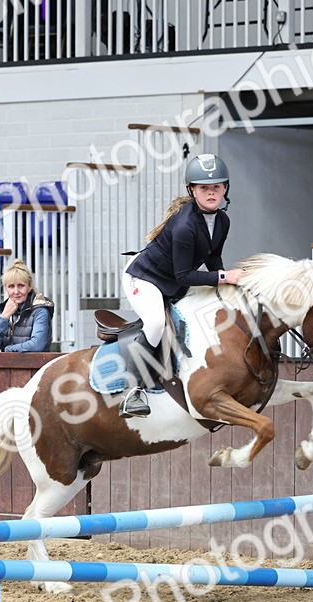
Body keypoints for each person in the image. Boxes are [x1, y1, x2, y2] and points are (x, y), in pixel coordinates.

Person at [118, 152, 244, 417]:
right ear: (192, 190)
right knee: (155, 323)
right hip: (145, 278)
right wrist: (224, 277)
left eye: (217, 186)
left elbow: (212, 257)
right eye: (204, 188)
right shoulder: (185, 225)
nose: (211, 192)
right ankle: (131, 392)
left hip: (174, 280)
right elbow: (184, 276)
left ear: (225, 188)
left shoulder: (223, 220)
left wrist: (226, 284)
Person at [0, 259, 53, 352]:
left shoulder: (40, 311)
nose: (16, 291)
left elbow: (37, 345)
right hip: (8, 361)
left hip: (34, 362)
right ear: (5, 288)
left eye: (21, 285)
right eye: (11, 286)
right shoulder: (6, 311)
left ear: (29, 287)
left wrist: (8, 350)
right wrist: (4, 317)